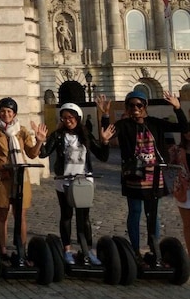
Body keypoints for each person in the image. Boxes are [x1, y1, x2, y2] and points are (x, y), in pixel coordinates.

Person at [99, 90, 189, 260]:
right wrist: (104, 115)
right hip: (133, 177)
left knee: (153, 215)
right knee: (135, 211)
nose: (135, 108)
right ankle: (134, 250)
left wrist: (177, 108)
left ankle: (154, 248)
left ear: (145, 106)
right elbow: (107, 134)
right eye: (131, 105)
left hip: (155, 177)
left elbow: (183, 128)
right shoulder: (124, 125)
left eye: (139, 105)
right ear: (127, 107)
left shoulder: (155, 123)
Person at [38, 102, 115, 265]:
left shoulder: (85, 135)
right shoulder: (58, 135)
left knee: (84, 217)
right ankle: (67, 250)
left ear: (77, 118)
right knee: (66, 216)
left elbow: (102, 156)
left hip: (83, 181)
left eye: (71, 117)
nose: (68, 121)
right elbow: (44, 153)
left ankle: (87, 250)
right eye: (64, 118)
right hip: (64, 181)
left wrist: (106, 142)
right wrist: (40, 141)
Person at [0, 97, 43, 262]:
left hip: (20, 176)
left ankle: (22, 249)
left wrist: (40, 140)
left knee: (20, 215)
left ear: (14, 114)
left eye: (9, 111)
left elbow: (32, 154)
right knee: (2, 215)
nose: (6, 114)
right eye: (3, 111)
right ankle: (3, 249)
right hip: (2, 177)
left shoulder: (22, 131)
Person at [168, 128, 190, 254]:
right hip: (184, 191)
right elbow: (167, 162)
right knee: (187, 225)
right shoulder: (177, 150)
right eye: (187, 131)